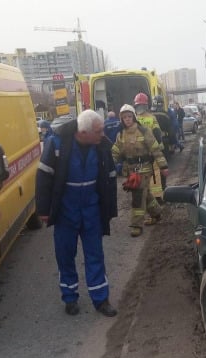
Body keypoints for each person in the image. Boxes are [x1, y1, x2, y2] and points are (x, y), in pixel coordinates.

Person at [34, 110, 118, 317]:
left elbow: (110, 177)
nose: (102, 134)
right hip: (66, 211)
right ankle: (70, 298)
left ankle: (101, 299)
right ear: (83, 132)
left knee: (95, 254)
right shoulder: (57, 145)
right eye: (98, 131)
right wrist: (44, 210)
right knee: (65, 255)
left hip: (91, 210)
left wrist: (109, 209)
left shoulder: (101, 147)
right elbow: (43, 178)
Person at [111, 104, 168, 238]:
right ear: (121, 119)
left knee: (137, 196)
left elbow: (155, 149)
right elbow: (115, 151)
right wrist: (108, 165)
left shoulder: (144, 131)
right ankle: (156, 213)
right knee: (145, 193)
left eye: (129, 116)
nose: (127, 119)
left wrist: (163, 166)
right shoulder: (121, 135)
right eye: (124, 117)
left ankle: (136, 225)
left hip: (145, 168)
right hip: (131, 170)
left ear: (134, 117)